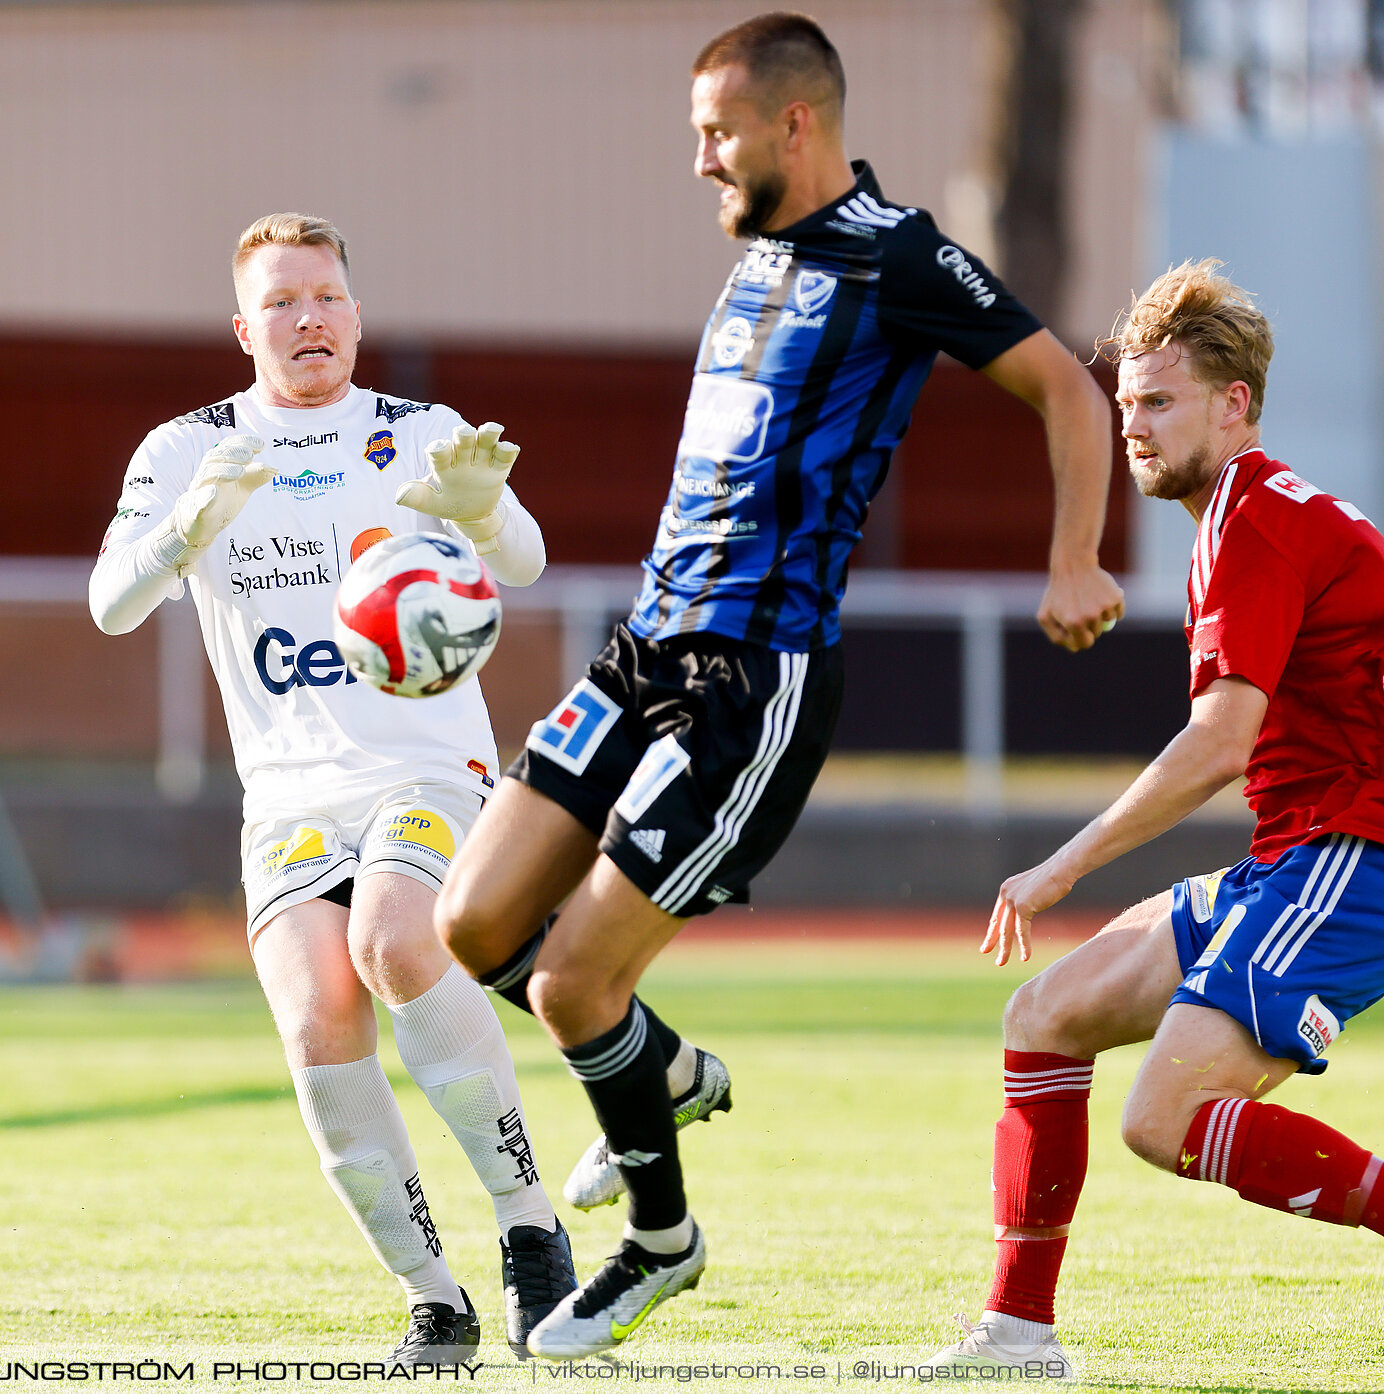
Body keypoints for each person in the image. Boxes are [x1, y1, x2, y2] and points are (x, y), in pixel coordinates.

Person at [432, 11, 1125, 1361]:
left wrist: (1073, 557)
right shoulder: (755, 263)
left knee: (575, 986)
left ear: (793, 124)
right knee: (472, 920)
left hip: (757, 678)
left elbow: (1068, 390)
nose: (699, 158)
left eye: (716, 131)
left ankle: (658, 1242)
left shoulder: (901, 256)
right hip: (645, 645)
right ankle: (668, 1073)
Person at [88, 213, 576, 1361]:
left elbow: (527, 561)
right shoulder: (183, 450)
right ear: (244, 326)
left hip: (426, 764)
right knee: (318, 1020)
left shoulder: (420, 432)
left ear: (355, 311)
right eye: (283, 301)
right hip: (290, 793)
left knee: (400, 940)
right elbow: (111, 603)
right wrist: (185, 533)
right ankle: (433, 1298)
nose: (310, 319)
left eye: (329, 297)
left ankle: (528, 1225)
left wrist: (480, 509)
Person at [939, 260, 1384, 1377]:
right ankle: (1017, 1335)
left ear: (1235, 405)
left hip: (1355, 851)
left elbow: (1219, 745)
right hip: (1300, 851)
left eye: (1159, 401)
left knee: (1167, 1117)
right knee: (1046, 1012)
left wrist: (1062, 863)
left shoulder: (1252, 518)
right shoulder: (1246, 513)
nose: (1132, 425)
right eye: (1126, 402)